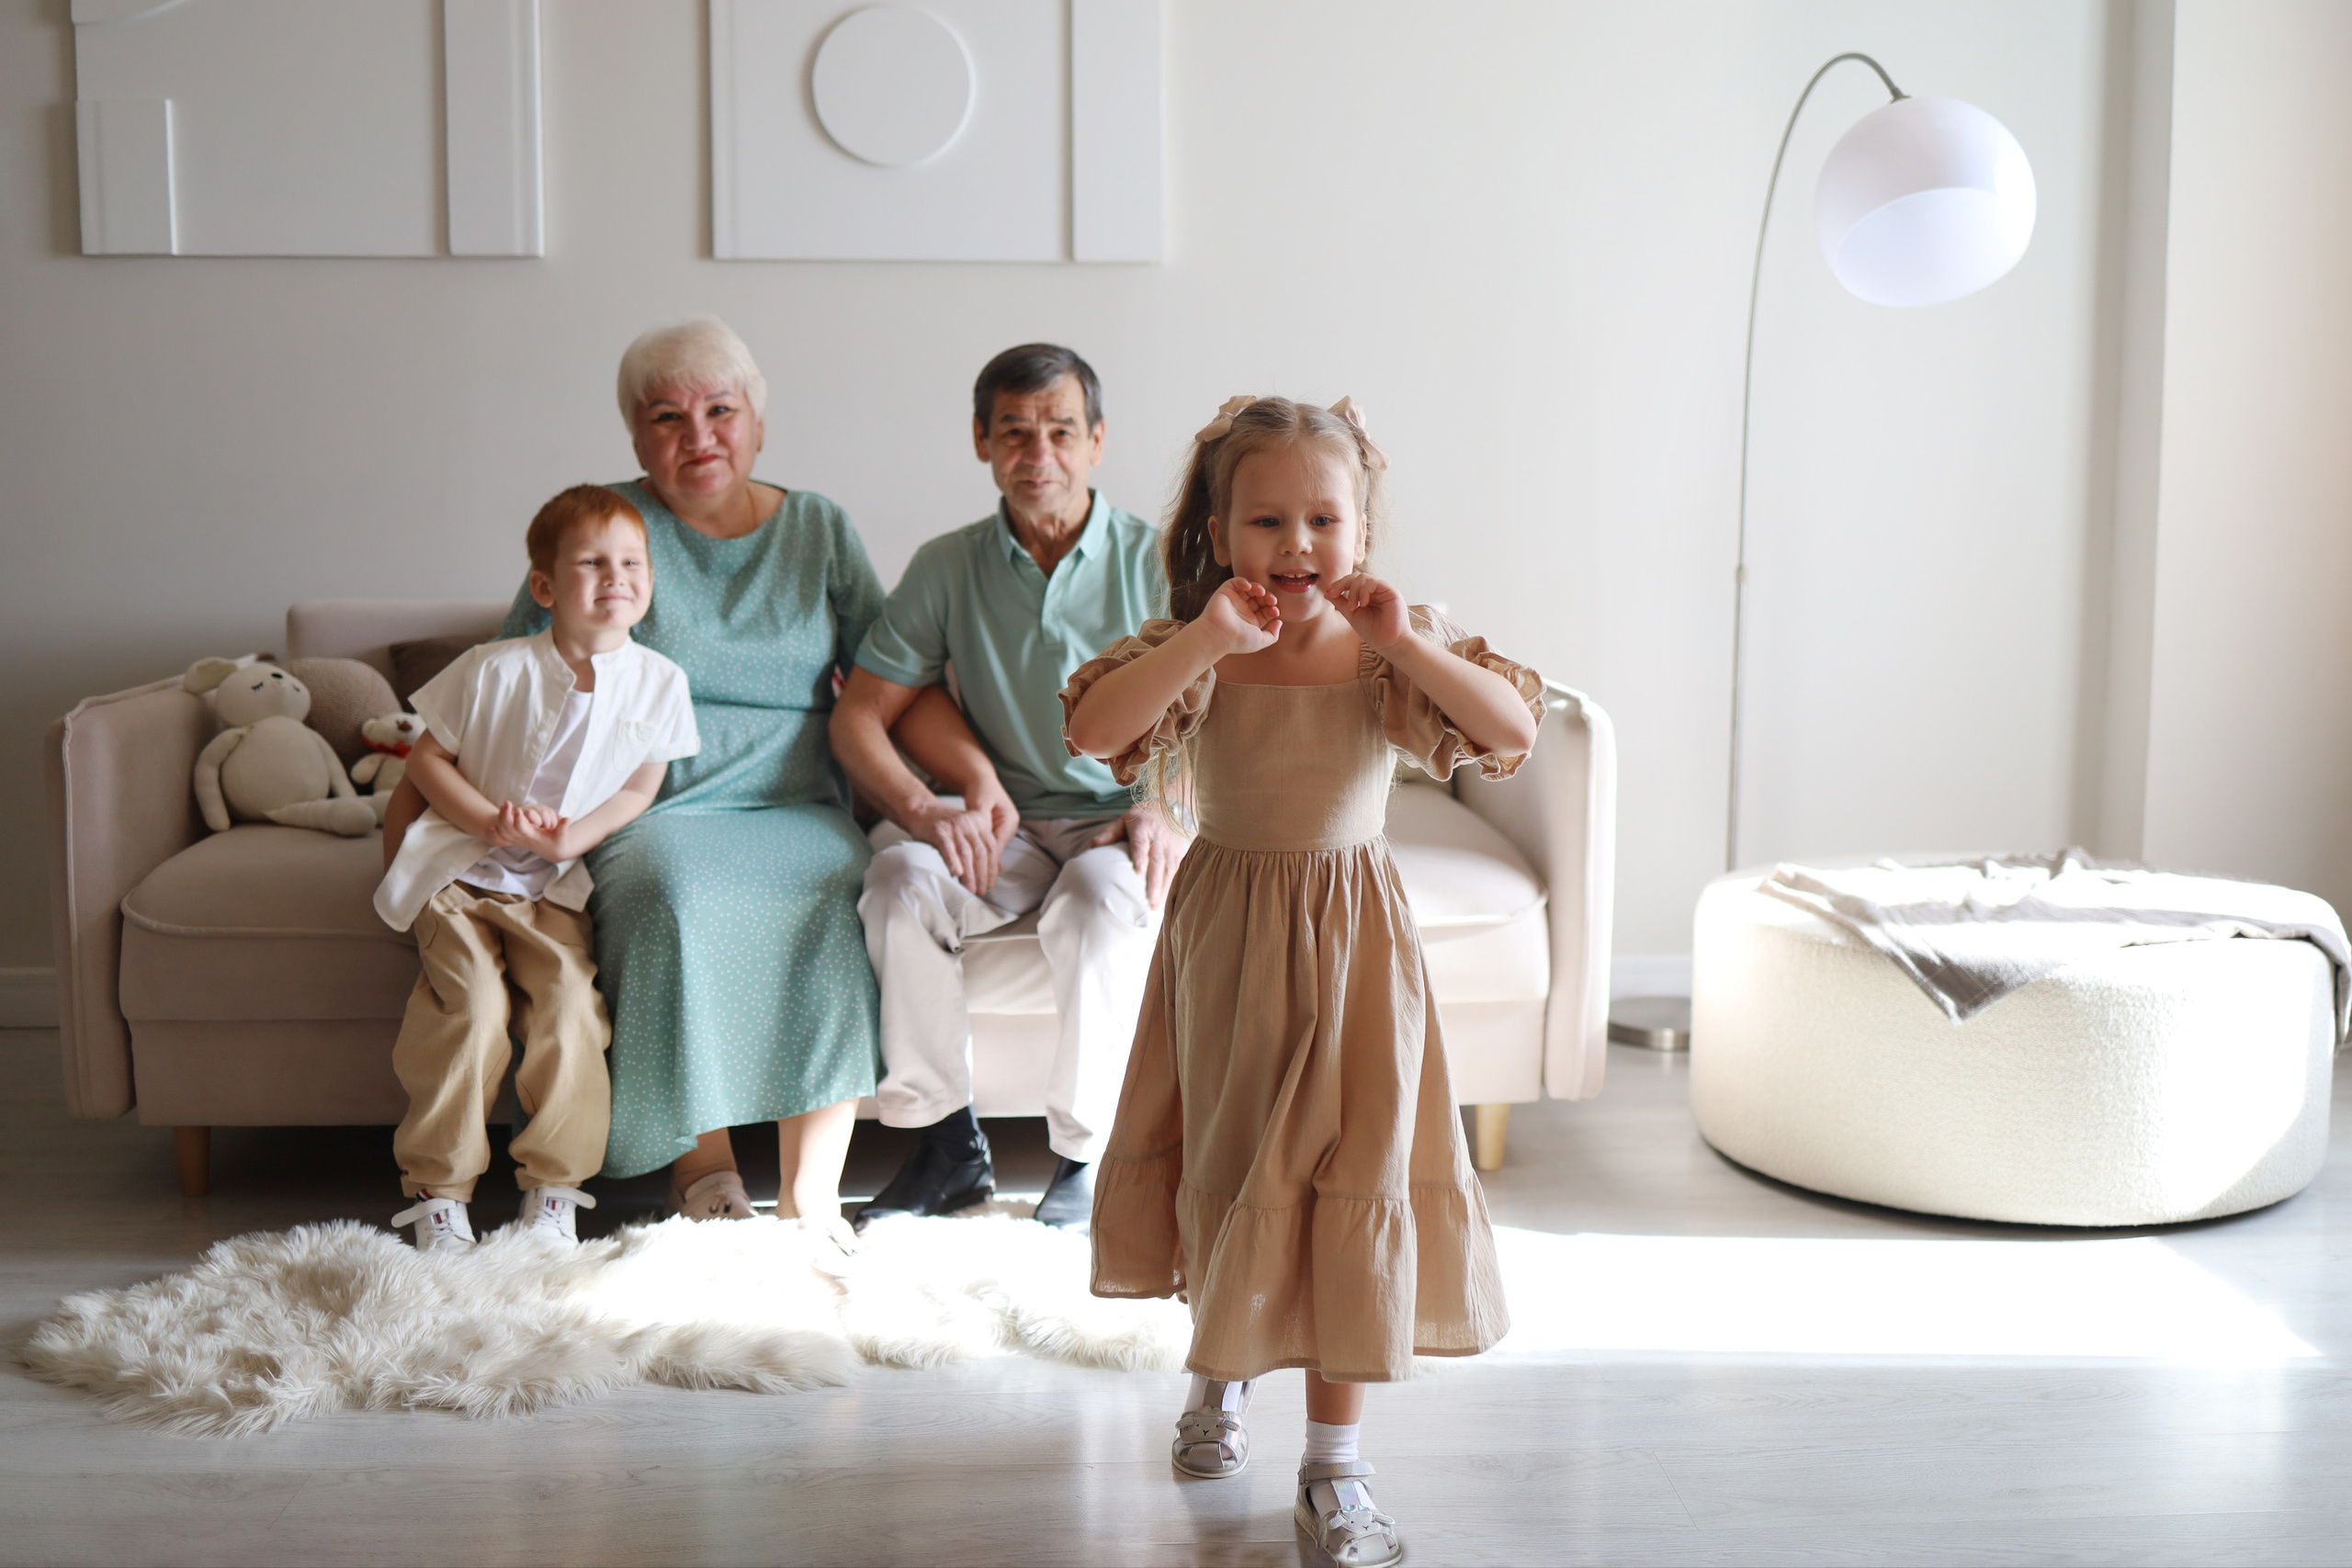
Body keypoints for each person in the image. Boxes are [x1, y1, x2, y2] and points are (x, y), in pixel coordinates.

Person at [1060, 396, 1544, 1568]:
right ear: (1220, 533)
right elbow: (1093, 729)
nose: (1297, 545)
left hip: (1357, 947)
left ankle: (1335, 1467)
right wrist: (1205, 642)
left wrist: (1405, 644)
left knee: (1351, 1179)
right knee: (1234, 1168)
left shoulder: (1387, 649)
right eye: (1267, 520)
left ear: (1362, 529)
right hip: (1228, 944)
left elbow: (1511, 730)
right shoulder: (1202, 644)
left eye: (1324, 519)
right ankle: (1217, 1377)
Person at [383, 317, 899, 1250]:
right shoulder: (603, 528)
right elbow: (507, 674)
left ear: (758, 423)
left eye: (720, 411)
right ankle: (704, 1171)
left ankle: (812, 1196)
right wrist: (427, 811)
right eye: (667, 417)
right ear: (634, 435)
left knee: (834, 892)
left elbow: (890, 673)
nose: (698, 436)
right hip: (651, 807)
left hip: (793, 801)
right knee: (670, 893)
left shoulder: (819, 527)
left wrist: (945, 789)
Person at [830, 344, 1178, 1231]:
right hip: (1008, 827)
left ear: (1097, 441)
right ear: (982, 441)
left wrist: (1168, 803)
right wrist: (926, 806)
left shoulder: (1160, 561)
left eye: (1061, 431)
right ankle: (946, 1148)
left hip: (1117, 819)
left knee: (1101, 901)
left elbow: (1227, 702)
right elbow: (860, 714)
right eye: (1015, 432)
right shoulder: (947, 565)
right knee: (898, 878)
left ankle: (1087, 1159)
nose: (1038, 454)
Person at [376, 485, 697, 1251]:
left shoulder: (661, 681)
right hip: (460, 876)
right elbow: (426, 761)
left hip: (553, 886)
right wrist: (486, 821)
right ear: (545, 587)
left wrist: (572, 837)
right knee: (473, 1008)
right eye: (593, 563)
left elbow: (640, 784)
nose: (616, 577)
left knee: (570, 1009)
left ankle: (554, 1192)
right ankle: (439, 1193)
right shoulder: (490, 667)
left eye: (632, 563)